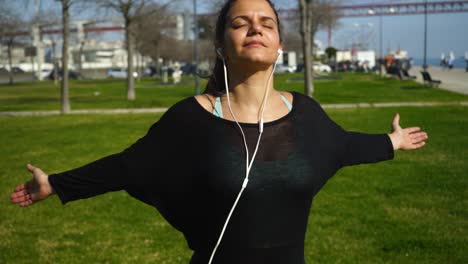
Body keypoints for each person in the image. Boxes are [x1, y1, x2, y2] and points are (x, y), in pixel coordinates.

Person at [10, 1, 429, 263]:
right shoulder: (192, 117)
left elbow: (343, 145)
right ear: (220, 46)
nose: (255, 28)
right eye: (240, 23)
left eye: (266, 22)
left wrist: (392, 141)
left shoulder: (306, 114)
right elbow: (128, 165)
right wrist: (59, 184)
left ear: (279, 44)